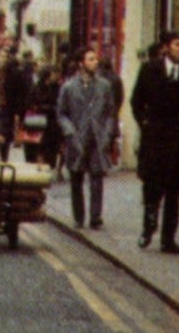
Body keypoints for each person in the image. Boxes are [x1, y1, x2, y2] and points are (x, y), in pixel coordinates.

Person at [131, 30, 179, 253]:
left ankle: (168, 239)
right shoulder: (150, 69)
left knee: (174, 191)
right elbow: (136, 100)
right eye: (177, 45)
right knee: (152, 188)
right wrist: (145, 124)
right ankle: (148, 228)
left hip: (178, 139)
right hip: (155, 138)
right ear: (167, 47)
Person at [57, 47, 117, 229]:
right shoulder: (68, 87)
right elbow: (61, 113)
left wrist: (108, 133)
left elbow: (110, 113)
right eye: (90, 59)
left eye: (96, 59)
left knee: (97, 179)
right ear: (81, 64)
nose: (95, 62)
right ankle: (79, 216)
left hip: (97, 138)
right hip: (77, 138)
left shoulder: (104, 86)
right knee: (76, 178)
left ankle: (95, 217)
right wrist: (69, 132)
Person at [27, 63, 63, 168]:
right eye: (52, 74)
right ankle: (38, 165)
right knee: (37, 147)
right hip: (37, 122)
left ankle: (49, 165)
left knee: (51, 147)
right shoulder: (36, 88)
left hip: (52, 123)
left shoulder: (57, 87)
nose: (55, 76)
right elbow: (30, 103)